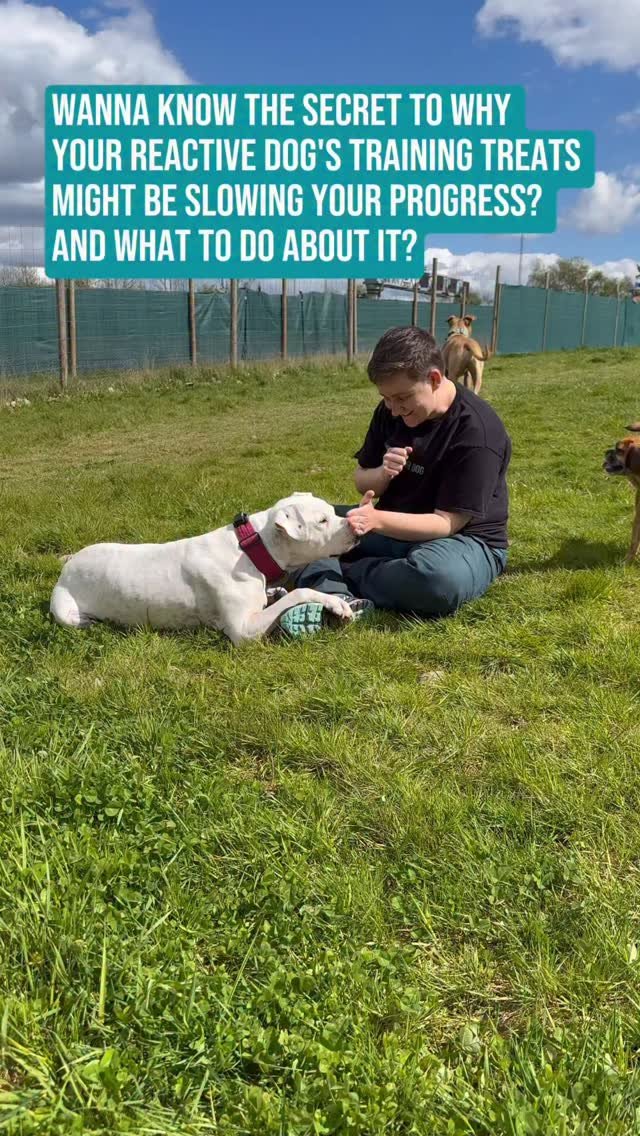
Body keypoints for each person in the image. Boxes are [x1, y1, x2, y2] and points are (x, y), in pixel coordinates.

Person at [277, 324, 511, 637]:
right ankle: (335, 589)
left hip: (463, 541)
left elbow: (445, 524)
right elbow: (362, 481)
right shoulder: (391, 410)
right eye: (386, 398)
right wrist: (382, 474)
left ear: (434, 379)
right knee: (303, 523)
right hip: (390, 526)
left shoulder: (477, 432)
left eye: (402, 398)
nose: (394, 409)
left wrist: (375, 520)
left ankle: (333, 575)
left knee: (438, 581)